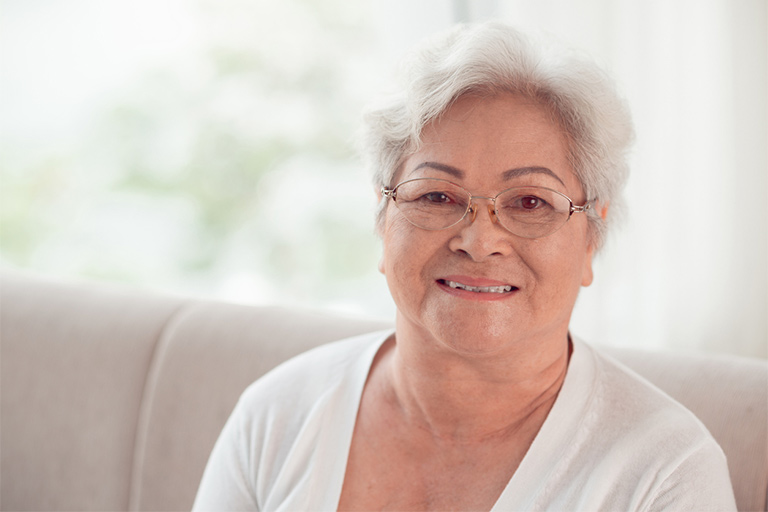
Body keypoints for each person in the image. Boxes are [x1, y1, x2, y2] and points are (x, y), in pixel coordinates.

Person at [193, 22, 736, 511]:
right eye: (436, 196)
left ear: (591, 237)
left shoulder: (665, 473)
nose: (479, 242)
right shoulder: (276, 415)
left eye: (530, 202)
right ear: (383, 219)